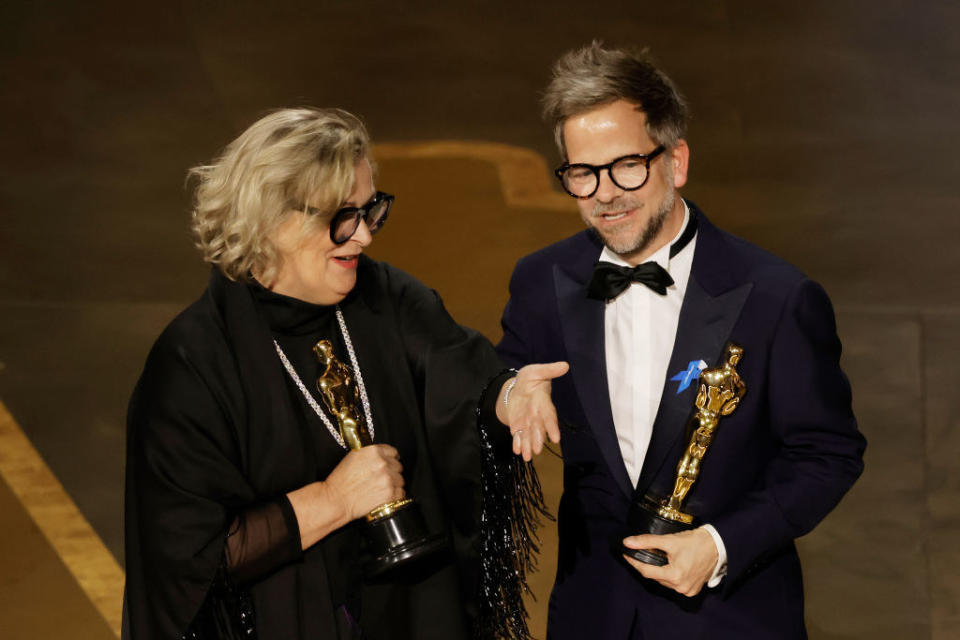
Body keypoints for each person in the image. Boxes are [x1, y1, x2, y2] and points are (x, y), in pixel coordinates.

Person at [122, 107, 565, 640]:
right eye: (341, 217)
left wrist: (509, 396)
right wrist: (333, 500)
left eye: (371, 210)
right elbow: (188, 558)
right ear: (272, 220)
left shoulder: (388, 299)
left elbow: (462, 378)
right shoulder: (192, 364)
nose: (363, 237)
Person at [496, 43, 866, 638]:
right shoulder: (542, 281)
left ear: (677, 161)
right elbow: (500, 381)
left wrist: (721, 545)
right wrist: (509, 393)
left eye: (627, 165)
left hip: (732, 618)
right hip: (594, 615)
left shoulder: (777, 298)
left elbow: (828, 454)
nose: (605, 193)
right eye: (583, 173)